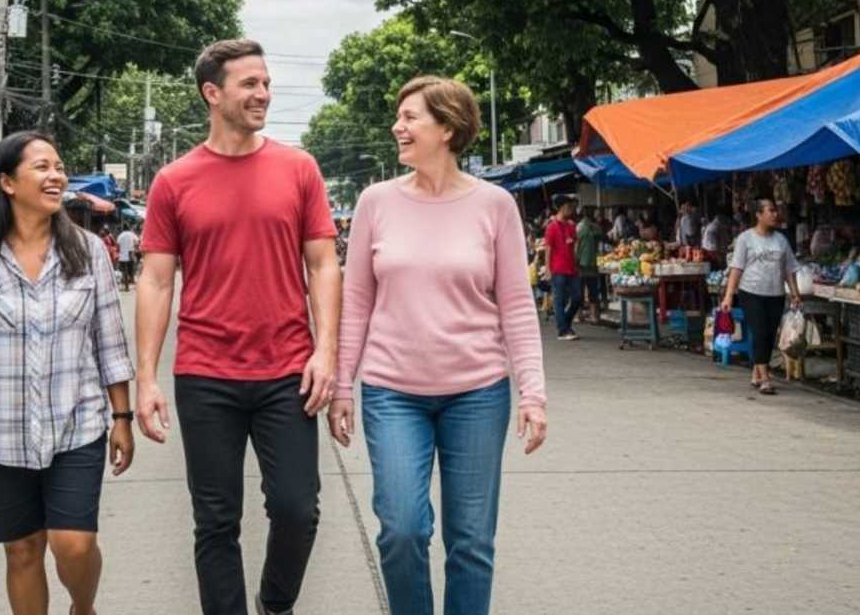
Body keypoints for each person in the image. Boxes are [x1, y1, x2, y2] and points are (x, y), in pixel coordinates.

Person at [134, 39, 341, 615]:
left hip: (287, 371)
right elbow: (155, 281)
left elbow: (323, 264)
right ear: (212, 93)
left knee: (298, 508)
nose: (263, 94)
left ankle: (275, 604)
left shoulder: (298, 168)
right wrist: (146, 379)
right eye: (250, 84)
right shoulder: (174, 181)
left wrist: (326, 352)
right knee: (216, 522)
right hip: (205, 374)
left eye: (266, 83)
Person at [330, 76, 546, 615]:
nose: (396, 127)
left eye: (410, 118)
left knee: (471, 542)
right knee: (402, 528)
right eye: (399, 117)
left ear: (447, 128)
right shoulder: (375, 202)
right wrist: (341, 386)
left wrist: (534, 394)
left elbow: (517, 305)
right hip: (392, 391)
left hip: (478, 392)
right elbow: (355, 300)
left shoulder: (495, 205)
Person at [0, 131, 135, 615]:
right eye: (42, 167)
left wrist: (123, 417)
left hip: (76, 425)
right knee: (22, 550)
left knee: (73, 544)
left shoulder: (88, 252)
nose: (56, 176)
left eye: (58, 167)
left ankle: (83, 607)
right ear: (8, 183)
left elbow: (109, 341)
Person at [719, 199, 801, 395]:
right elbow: (736, 269)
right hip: (751, 292)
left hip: (775, 293)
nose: (774, 214)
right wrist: (729, 296)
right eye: (770, 211)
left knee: (770, 334)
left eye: (775, 211)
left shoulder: (781, 240)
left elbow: (789, 268)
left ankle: (756, 372)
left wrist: (795, 293)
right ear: (758, 215)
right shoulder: (745, 239)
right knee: (760, 331)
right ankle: (765, 378)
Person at [543, 197, 580, 341]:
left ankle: (565, 323)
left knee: (577, 298)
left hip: (572, 268)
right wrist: (547, 269)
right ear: (561, 208)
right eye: (568, 206)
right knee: (559, 300)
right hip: (557, 269)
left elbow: (574, 245)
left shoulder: (571, 226)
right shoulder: (551, 227)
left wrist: (576, 262)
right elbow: (548, 249)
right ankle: (562, 331)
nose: (570, 209)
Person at [575, 205, 604, 323]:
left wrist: (575, 260)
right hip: (593, 262)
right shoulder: (596, 228)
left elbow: (576, 247)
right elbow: (601, 238)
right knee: (593, 290)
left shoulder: (578, 228)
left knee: (579, 290)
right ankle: (594, 316)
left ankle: (579, 315)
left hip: (580, 263)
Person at [115, 224, 139, 291]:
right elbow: (137, 242)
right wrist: (134, 247)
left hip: (122, 256)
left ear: (123, 228)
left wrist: (119, 251)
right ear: (129, 228)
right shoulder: (132, 234)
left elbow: (118, 245)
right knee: (131, 269)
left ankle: (126, 286)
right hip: (130, 254)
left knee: (124, 271)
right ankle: (131, 281)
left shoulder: (120, 235)